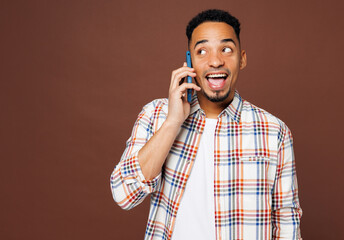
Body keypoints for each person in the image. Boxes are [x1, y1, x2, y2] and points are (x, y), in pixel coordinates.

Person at [110, 9, 302, 240]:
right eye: (202, 51)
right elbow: (124, 195)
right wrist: (173, 122)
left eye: (226, 49)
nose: (215, 61)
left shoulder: (274, 132)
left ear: (242, 59)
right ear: (189, 61)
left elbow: (286, 218)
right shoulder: (155, 115)